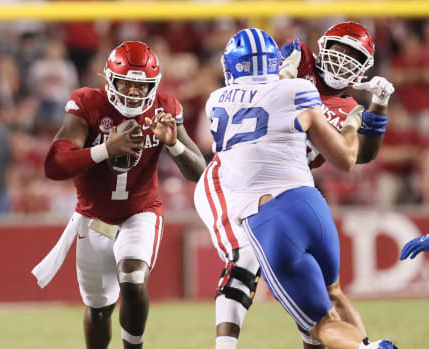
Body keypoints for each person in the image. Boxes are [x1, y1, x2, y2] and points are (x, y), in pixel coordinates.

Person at [194, 22, 395, 349]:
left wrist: (376, 106)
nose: (342, 62)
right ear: (321, 47)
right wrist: (363, 115)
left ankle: (365, 346)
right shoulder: (298, 64)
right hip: (264, 187)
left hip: (275, 195)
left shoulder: (344, 106)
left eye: (352, 56)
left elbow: (360, 156)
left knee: (320, 310)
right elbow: (346, 153)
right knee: (246, 258)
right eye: (339, 51)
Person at [33, 41, 206, 349]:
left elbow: (198, 172)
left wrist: (173, 144)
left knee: (133, 277)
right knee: (99, 310)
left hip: (140, 212)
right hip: (92, 218)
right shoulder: (87, 103)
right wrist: (104, 150)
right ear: (110, 80)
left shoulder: (165, 108)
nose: (133, 92)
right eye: (126, 82)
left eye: (141, 86)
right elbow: (54, 165)